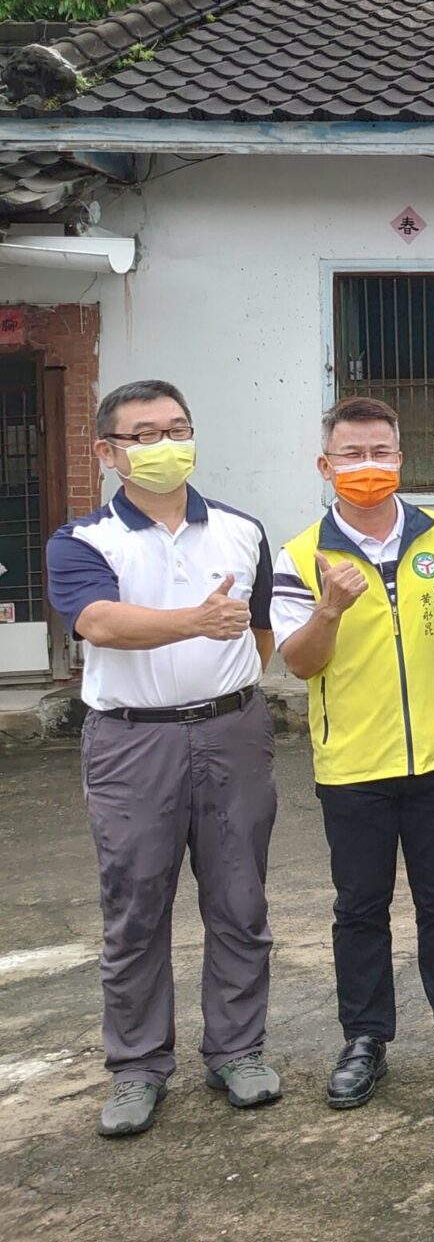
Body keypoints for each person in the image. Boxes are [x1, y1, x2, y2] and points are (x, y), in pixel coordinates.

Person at [46, 381, 280, 1137]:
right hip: (132, 741)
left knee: (240, 900)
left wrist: (226, 687)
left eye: (178, 429)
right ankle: (138, 1066)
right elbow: (99, 622)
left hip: (231, 732)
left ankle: (238, 1050)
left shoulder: (241, 530)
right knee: (136, 906)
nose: (166, 445)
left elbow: (261, 630)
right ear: (107, 451)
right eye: (144, 434)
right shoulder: (83, 540)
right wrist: (196, 623)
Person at [274, 396, 434, 1108]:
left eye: (380, 452)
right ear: (325, 465)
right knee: (360, 906)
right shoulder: (301, 555)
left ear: (401, 458)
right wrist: (329, 608)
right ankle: (365, 1038)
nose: (368, 465)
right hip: (353, 763)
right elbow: (299, 661)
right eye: (351, 454)